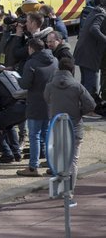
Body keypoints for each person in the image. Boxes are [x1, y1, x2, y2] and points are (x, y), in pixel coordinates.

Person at [44, 57, 96, 191]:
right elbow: (91, 104)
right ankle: (69, 191)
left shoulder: (50, 86)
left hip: (56, 127)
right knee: (73, 161)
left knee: (59, 159)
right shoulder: (77, 86)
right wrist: (79, 112)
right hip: (74, 127)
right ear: (72, 69)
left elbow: (46, 98)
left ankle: (60, 188)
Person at [16, 38, 58, 177]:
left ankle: (33, 167)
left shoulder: (31, 63)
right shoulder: (54, 60)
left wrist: (18, 78)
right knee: (47, 134)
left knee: (34, 135)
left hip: (35, 103)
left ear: (31, 48)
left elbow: (25, 84)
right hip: (50, 103)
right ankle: (52, 164)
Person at [73, 0, 106, 111]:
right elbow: (94, 29)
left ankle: (81, 107)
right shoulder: (102, 14)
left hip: (83, 53)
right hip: (89, 55)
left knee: (85, 82)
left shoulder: (94, 11)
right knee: (89, 84)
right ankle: (86, 110)